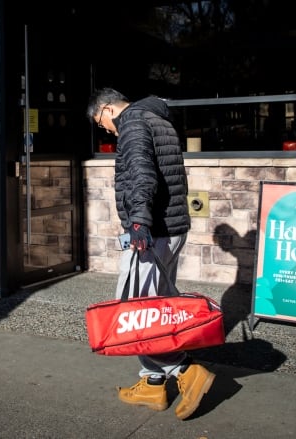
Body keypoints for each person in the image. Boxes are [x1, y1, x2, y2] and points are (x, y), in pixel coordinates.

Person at [86, 87, 215, 420]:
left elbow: (143, 174)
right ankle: (152, 384)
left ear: (107, 109)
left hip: (151, 232)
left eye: (100, 122)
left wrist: (139, 223)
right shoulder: (158, 118)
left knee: (135, 312)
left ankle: (186, 371)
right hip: (171, 229)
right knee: (157, 306)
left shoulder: (131, 122)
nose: (104, 129)